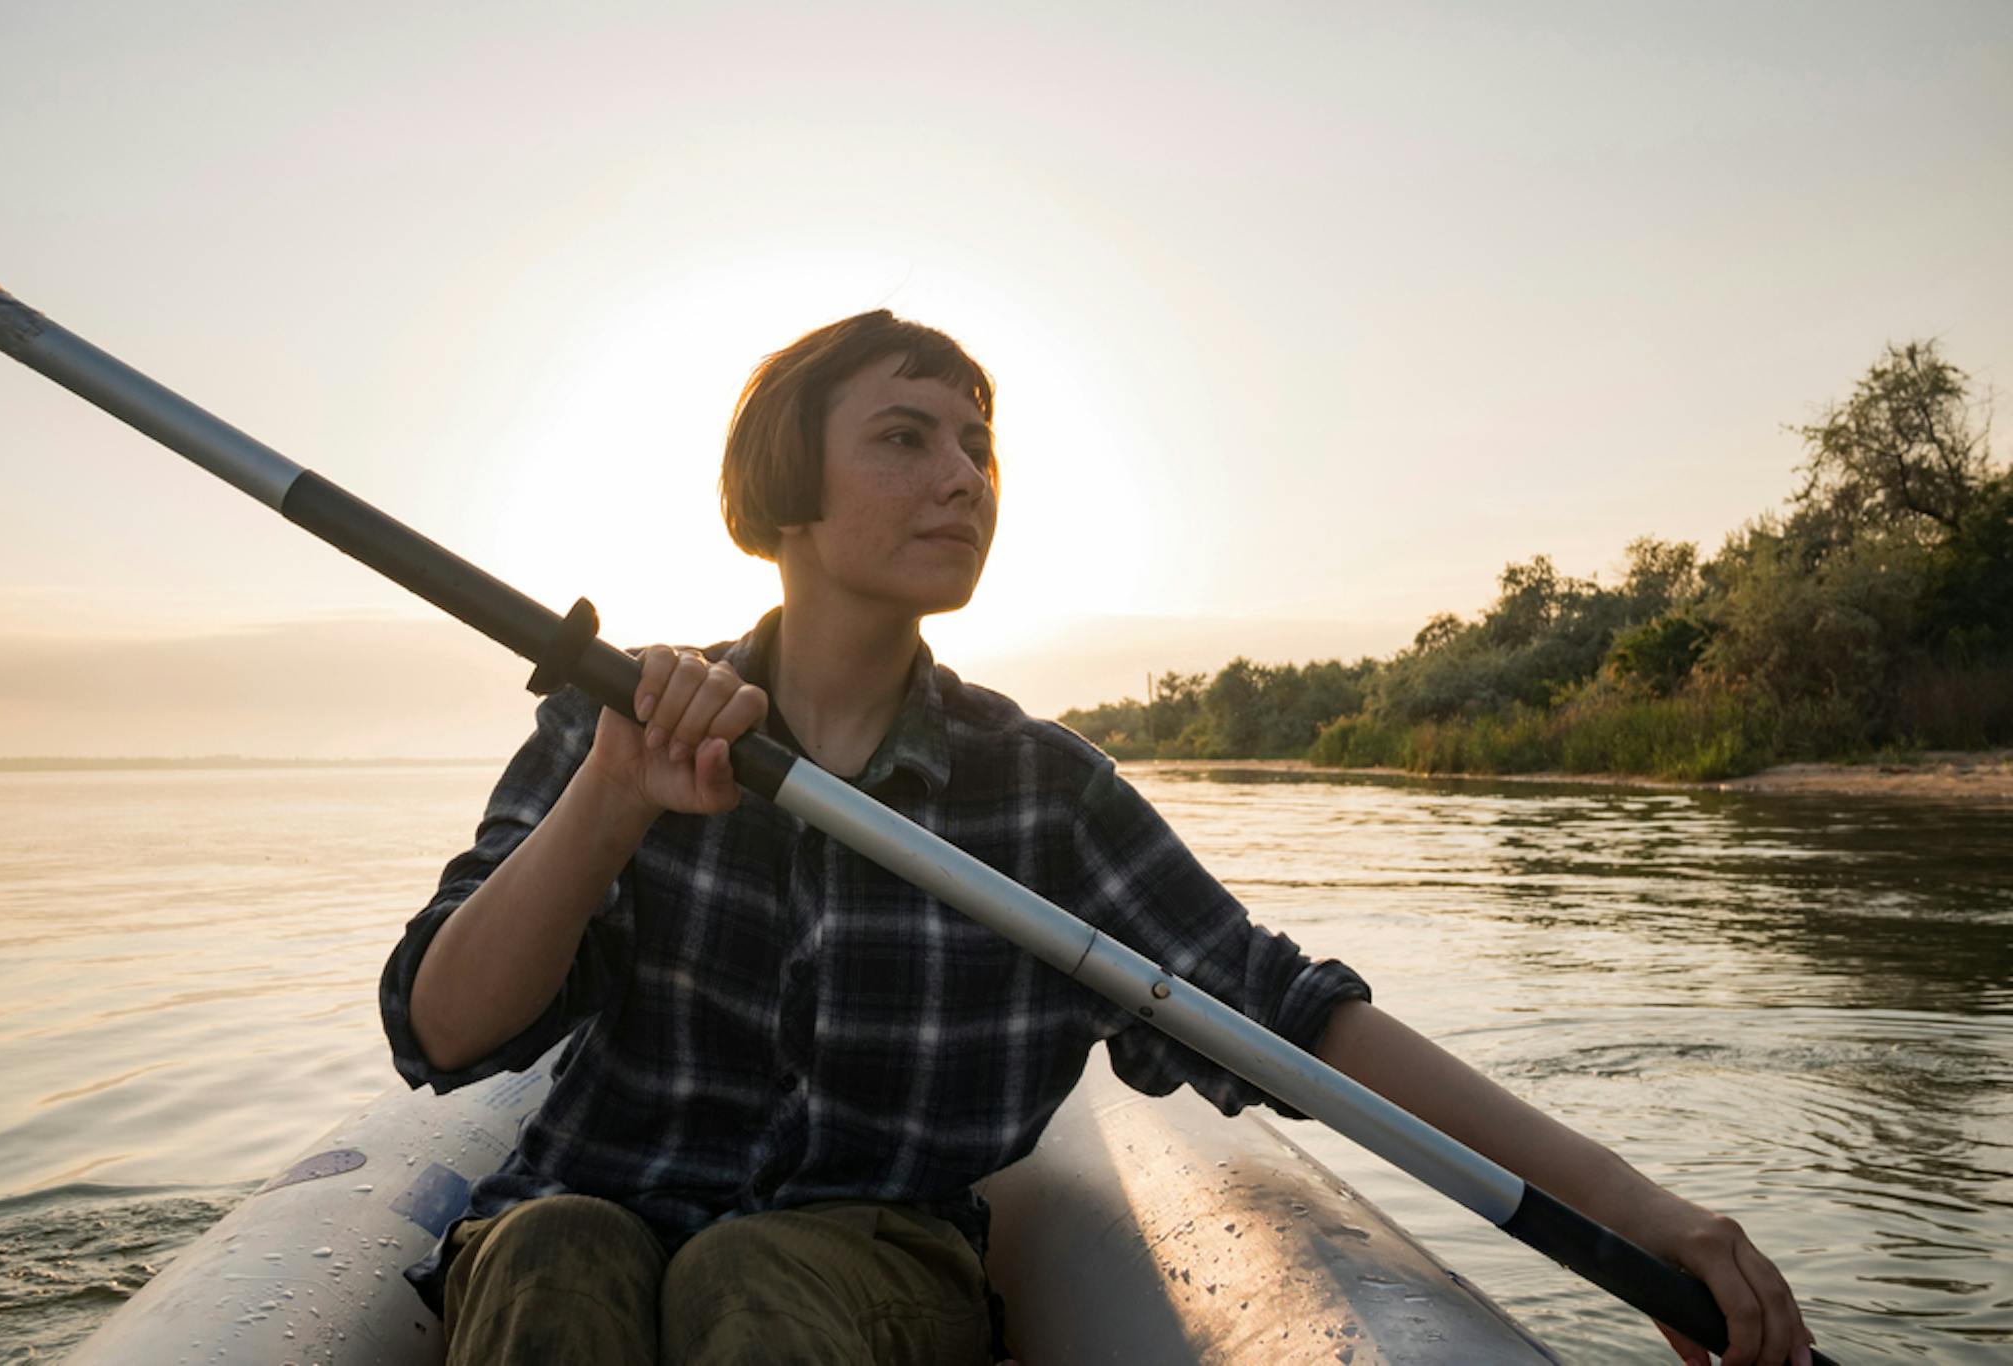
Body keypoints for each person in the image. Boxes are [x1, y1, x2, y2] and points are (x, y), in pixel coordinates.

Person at [380, 310, 1815, 1366]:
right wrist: (614, 797)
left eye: (977, 444)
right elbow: (441, 1028)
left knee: (754, 1278)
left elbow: (1286, 1012)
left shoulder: (1040, 795)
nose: (964, 475)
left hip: (871, 1262)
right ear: (786, 493)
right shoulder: (618, 717)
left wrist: (1642, 1215)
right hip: (589, 1205)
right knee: (559, 1251)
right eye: (905, 437)